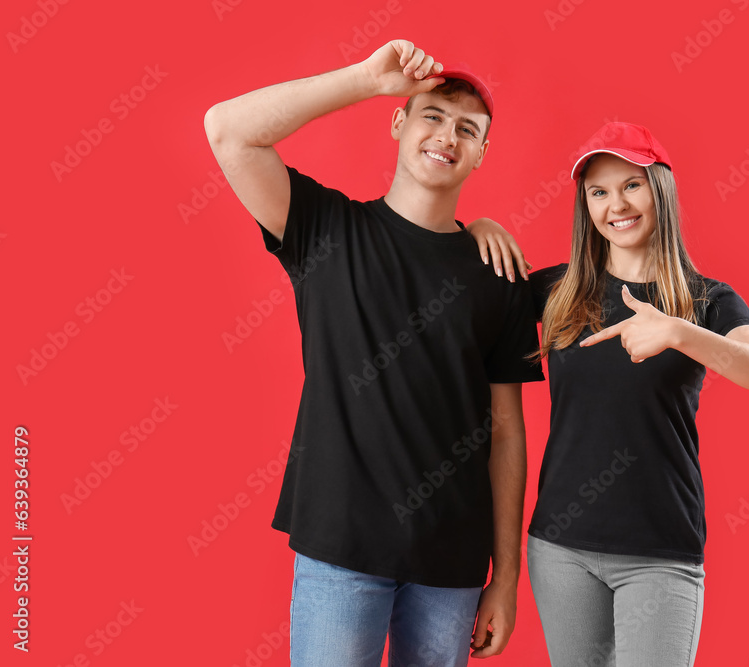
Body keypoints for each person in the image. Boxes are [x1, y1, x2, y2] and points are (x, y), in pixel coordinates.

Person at [204, 40, 543, 666]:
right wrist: (364, 79)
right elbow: (227, 130)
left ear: (482, 153)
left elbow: (505, 433)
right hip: (341, 550)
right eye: (432, 115)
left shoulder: (501, 276)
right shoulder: (326, 231)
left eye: (468, 128)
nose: (447, 136)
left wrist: (505, 578)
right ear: (398, 122)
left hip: (452, 567)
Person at [466, 121, 749, 666]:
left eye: (631, 185)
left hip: (659, 554)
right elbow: (464, 293)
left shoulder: (704, 299)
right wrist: (479, 227)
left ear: (658, 188)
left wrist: (679, 332)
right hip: (561, 549)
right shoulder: (556, 290)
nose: (616, 204)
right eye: (599, 192)